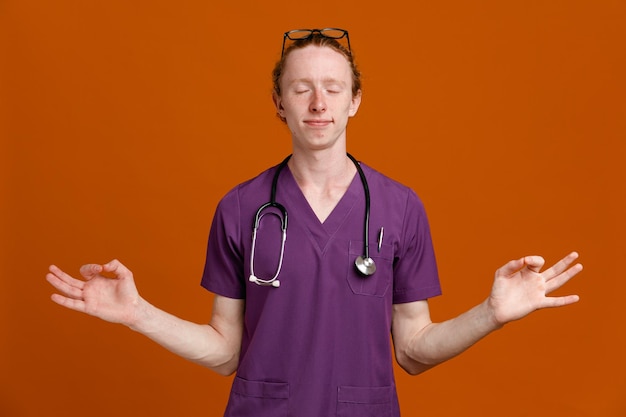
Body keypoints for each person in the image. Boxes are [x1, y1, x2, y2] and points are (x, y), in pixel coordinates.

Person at [46, 28, 583, 417]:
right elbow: (225, 350)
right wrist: (138, 313)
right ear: (280, 103)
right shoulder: (240, 208)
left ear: (355, 101)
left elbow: (414, 351)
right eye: (301, 88)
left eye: (333, 87)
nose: (318, 101)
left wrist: (491, 314)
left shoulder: (399, 207)